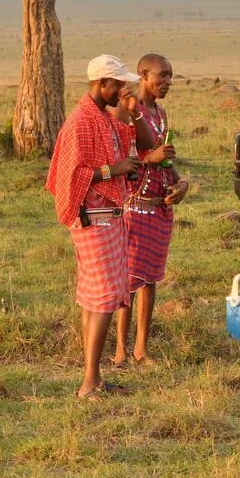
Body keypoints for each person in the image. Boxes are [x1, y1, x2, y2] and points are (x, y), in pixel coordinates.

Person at [45, 54, 154, 401]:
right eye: (117, 85)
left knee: (96, 298)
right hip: (95, 217)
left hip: (107, 216)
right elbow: (73, 174)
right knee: (104, 298)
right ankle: (89, 381)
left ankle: (94, 377)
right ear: (101, 84)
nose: (122, 89)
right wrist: (115, 170)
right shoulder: (81, 123)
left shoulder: (101, 119)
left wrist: (134, 110)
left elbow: (140, 142)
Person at [110, 54, 189, 369]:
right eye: (163, 75)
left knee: (149, 280)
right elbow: (119, 157)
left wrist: (180, 183)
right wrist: (149, 160)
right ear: (142, 74)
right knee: (128, 279)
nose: (168, 82)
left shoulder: (160, 113)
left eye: (171, 76)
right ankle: (119, 352)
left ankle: (141, 350)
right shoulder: (126, 112)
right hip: (135, 206)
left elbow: (165, 159)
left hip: (160, 207)